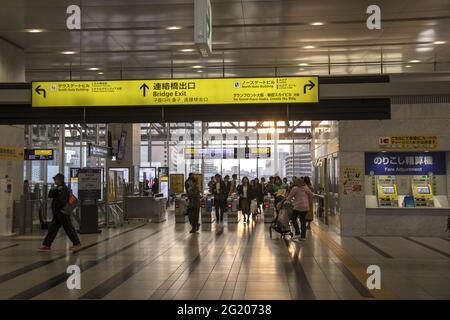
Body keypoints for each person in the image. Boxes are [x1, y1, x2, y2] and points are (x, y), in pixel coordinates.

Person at [38, 173, 81, 252]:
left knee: (68, 228)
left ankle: (77, 243)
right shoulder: (58, 188)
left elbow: (63, 201)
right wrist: (56, 190)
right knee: (52, 229)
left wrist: (60, 208)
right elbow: (50, 195)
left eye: (55, 179)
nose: (54, 181)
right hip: (57, 213)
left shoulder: (64, 189)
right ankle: (46, 245)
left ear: (60, 180)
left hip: (63, 212)